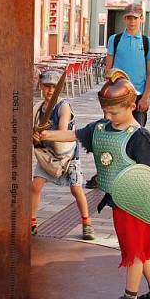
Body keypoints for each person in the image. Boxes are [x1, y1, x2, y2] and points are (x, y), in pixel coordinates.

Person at [48, 71, 150, 299]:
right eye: (106, 111)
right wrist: (46, 135)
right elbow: (74, 135)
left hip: (135, 204)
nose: (108, 116)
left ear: (131, 106)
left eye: (114, 112)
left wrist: (142, 190)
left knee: (135, 251)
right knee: (142, 250)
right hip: (121, 202)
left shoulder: (138, 136)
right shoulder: (103, 128)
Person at [30, 70, 94, 240]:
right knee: (35, 186)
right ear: (40, 86)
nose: (50, 90)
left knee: (76, 189)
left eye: (53, 87)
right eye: (46, 86)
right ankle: (32, 222)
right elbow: (33, 135)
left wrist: (43, 134)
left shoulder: (63, 106)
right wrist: (34, 137)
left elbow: (63, 131)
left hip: (67, 155)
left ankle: (87, 222)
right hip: (47, 154)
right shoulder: (37, 108)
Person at [105, 3, 150, 127]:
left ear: (141, 18)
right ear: (124, 19)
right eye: (129, 18)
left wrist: (145, 97)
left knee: (137, 134)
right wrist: (107, 97)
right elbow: (108, 70)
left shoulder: (148, 43)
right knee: (114, 132)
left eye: (135, 18)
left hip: (138, 96)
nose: (132, 21)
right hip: (117, 96)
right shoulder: (114, 40)